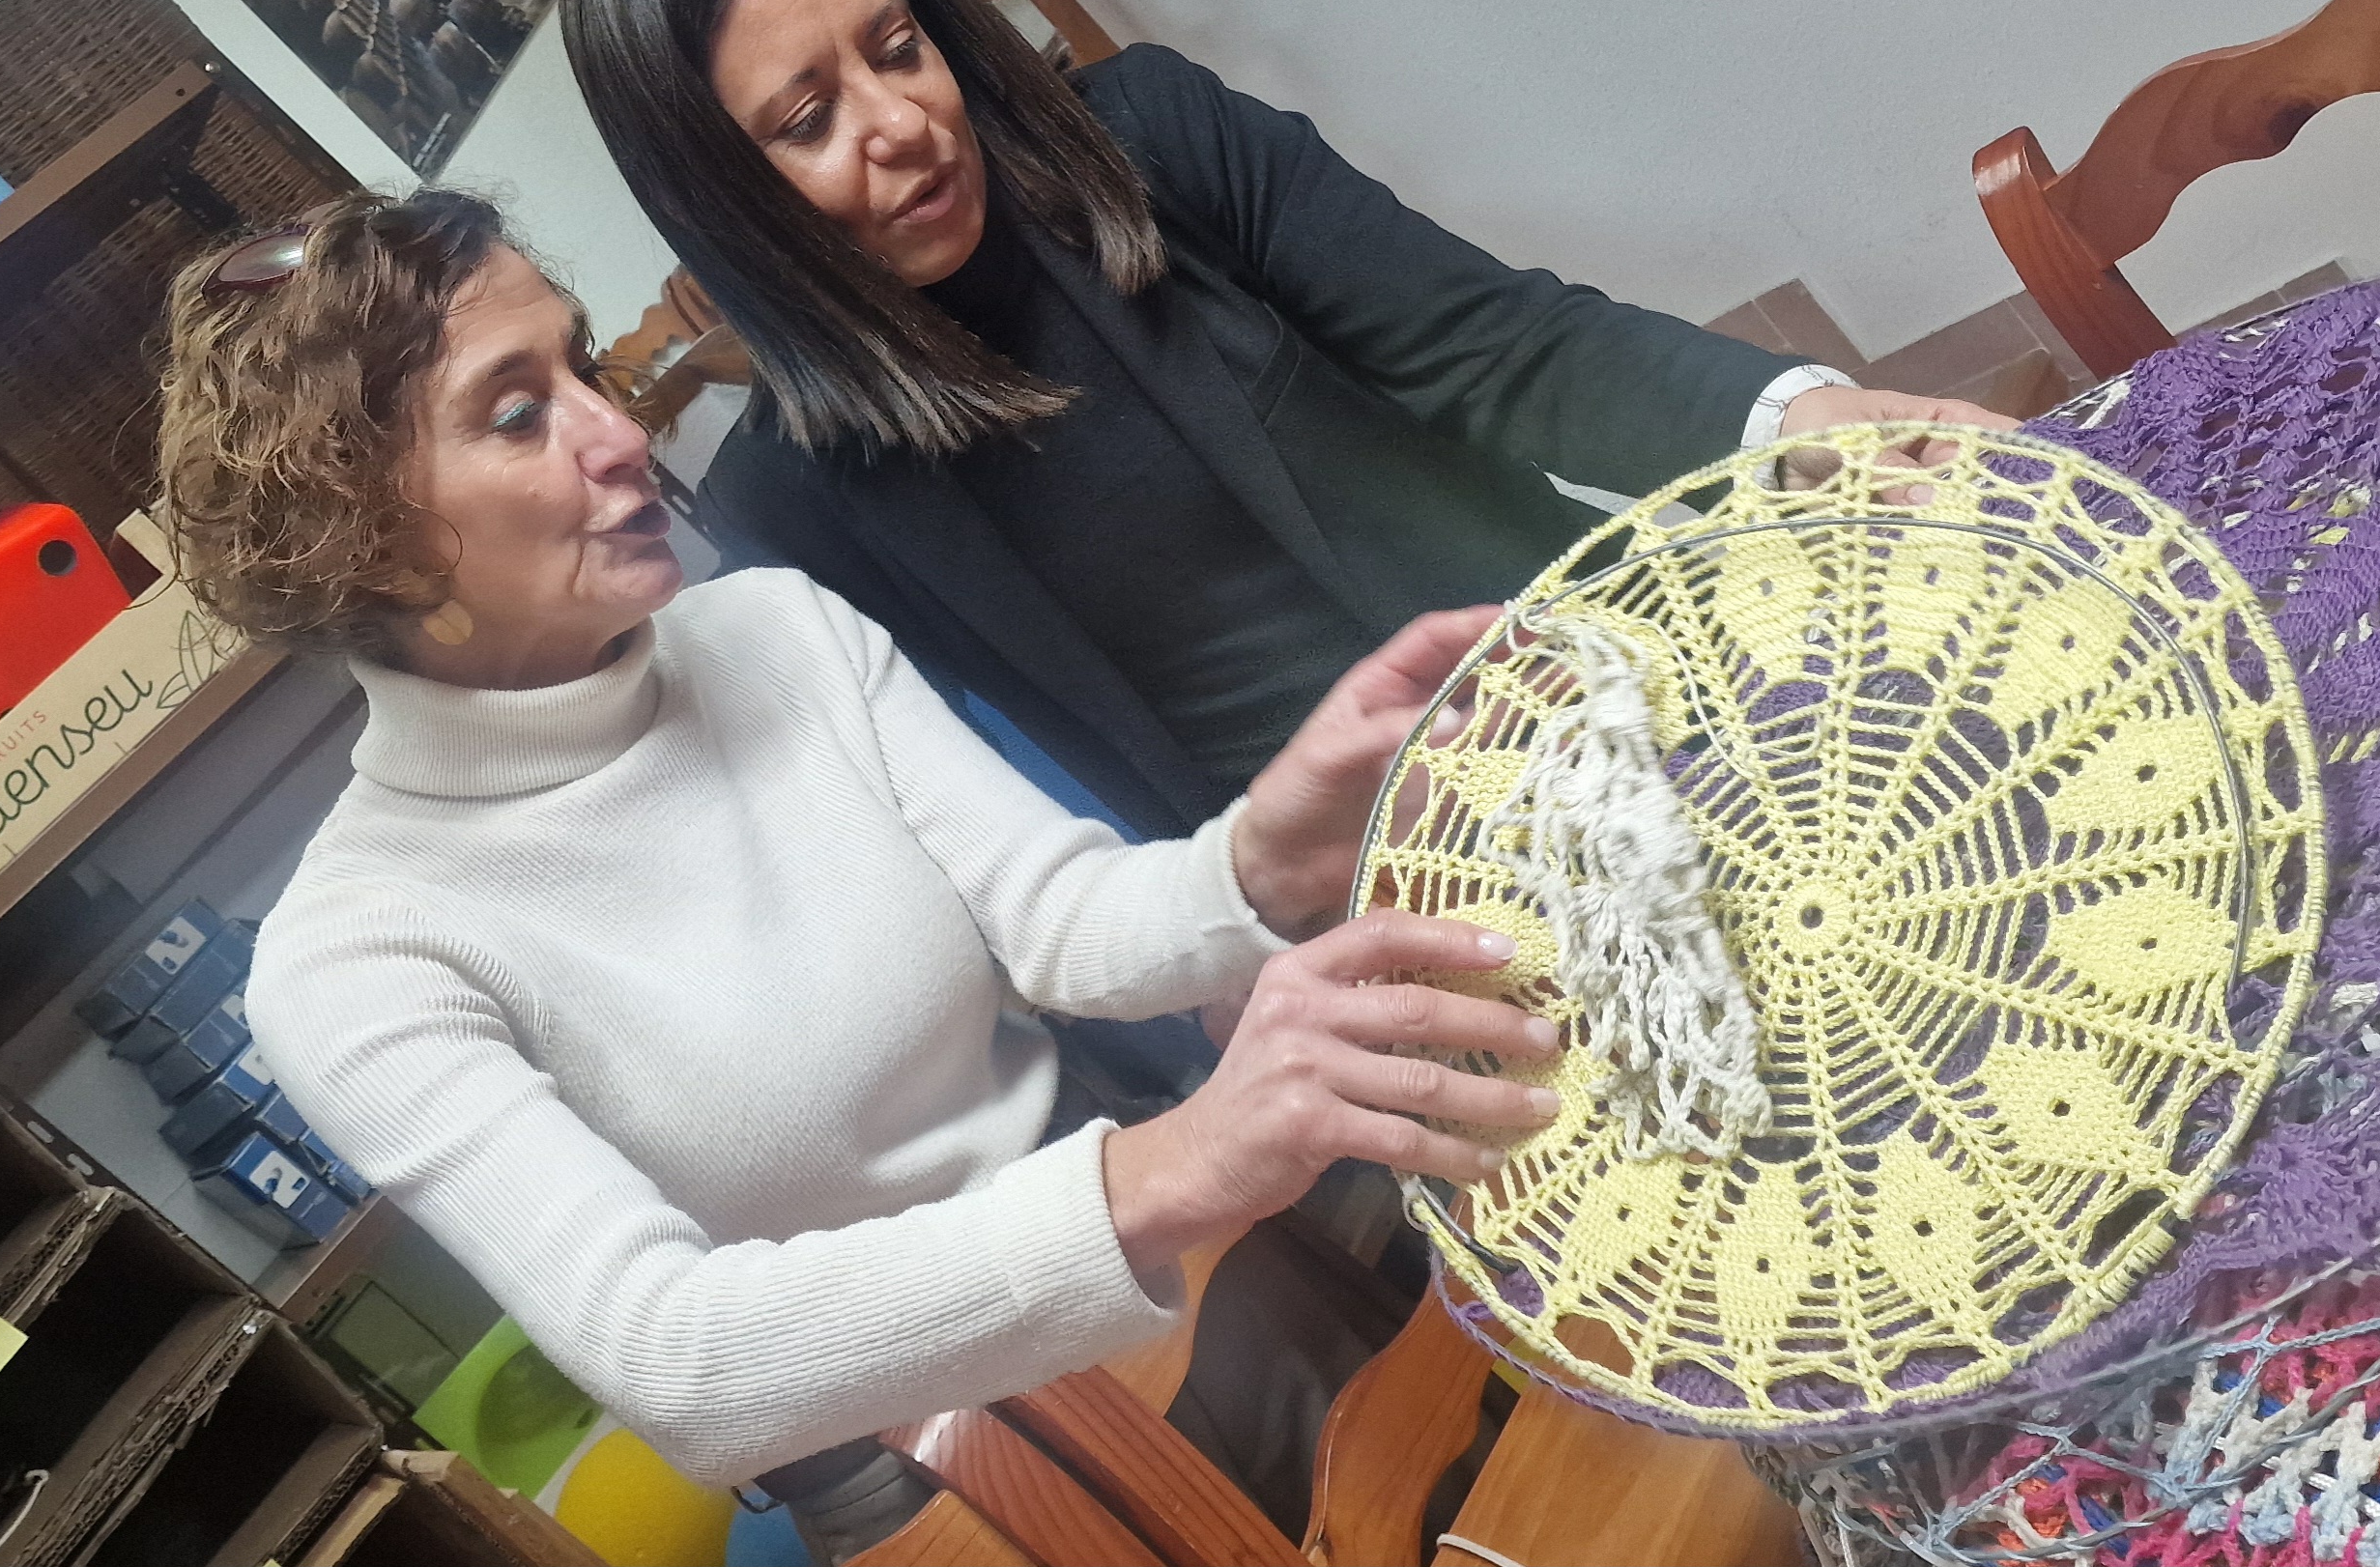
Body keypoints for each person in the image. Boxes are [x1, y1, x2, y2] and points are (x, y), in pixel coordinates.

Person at [163, 189, 1559, 1561]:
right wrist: (1184, 1163)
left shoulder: (773, 634)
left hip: (1184, 1269)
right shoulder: (357, 958)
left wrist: (1264, 854)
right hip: (950, 1483)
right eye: (519, 413)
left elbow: (1062, 924)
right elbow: (681, 1360)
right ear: (360, 536)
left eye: (584, 366)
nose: (619, 431)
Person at [561, 0, 2007, 845]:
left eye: (897, 47)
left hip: (1618, 690)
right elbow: (1046, 830)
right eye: (807, 122)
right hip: (1397, 914)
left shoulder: (1150, 137)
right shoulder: (798, 508)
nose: (900, 125)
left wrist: (1795, 416)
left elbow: (1505, 348)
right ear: (726, 200)